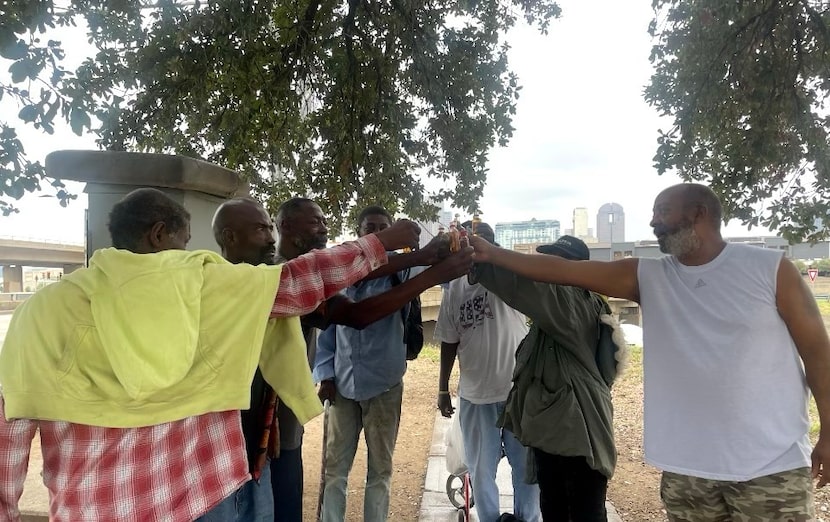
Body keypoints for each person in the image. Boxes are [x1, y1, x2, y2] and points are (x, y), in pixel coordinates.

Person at [0, 187, 421, 521]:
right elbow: (297, 282)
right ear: (159, 235)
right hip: (200, 494)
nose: (184, 252)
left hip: (90, 506)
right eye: (181, 241)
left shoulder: (41, 310)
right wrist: (382, 242)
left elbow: (10, 429)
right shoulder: (200, 287)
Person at [469, 183, 830, 521]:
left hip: (771, 468)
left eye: (663, 211)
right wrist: (490, 253)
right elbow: (563, 270)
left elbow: (817, 352)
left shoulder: (770, 270)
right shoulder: (650, 276)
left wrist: (829, 432)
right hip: (688, 472)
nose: (654, 220)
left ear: (699, 213)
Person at [214, 197, 472, 521]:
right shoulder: (266, 278)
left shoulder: (306, 274)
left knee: (361, 475)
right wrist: (408, 258)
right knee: (278, 497)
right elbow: (353, 313)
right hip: (245, 427)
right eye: (260, 228)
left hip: (293, 419)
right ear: (286, 228)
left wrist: (427, 257)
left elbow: (346, 277)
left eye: (325, 221)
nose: (323, 228)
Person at [315, 205, 467, 522]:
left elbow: (444, 272)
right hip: (342, 387)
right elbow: (327, 330)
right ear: (359, 233)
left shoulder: (403, 270)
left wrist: (452, 245)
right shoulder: (341, 270)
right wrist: (326, 374)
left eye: (382, 226)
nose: (376, 232)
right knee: (335, 470)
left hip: (384, 386)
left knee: (380, 469)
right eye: (370, 227)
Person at [473, 235, 623, 521]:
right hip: (554, 434)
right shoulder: (558, 311)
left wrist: (484, 256)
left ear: (579, 268)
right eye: (545, 260)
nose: (546, 267)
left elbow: (527, 287)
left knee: (583, 512)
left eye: (554, 261)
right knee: (554, 507)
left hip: (577, 433)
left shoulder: (575, 300)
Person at [435, 220, 542, 522]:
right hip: (475, 396)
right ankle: (490, 519)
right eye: (473, 240)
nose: (479, 246)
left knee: (526, 472)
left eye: (487, 241)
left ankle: (528, 519)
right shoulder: (454, 289)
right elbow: (448, 341)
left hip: (519, 393)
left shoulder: (510, 278)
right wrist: (443, 388)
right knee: (481, 472)